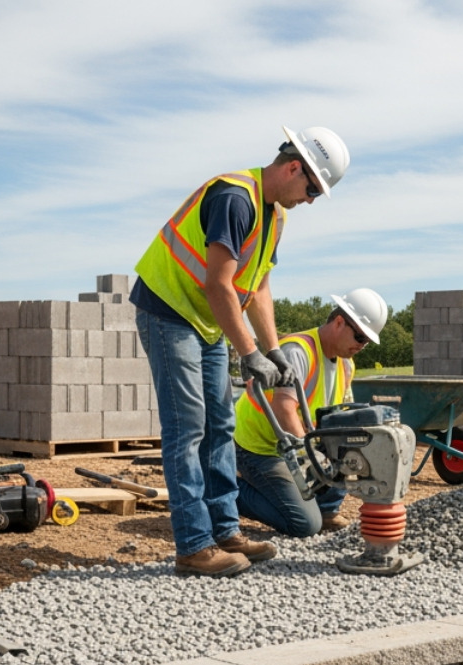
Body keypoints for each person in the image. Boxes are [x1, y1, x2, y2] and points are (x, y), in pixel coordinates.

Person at [131, 126, 350, 577]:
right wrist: (248, 352)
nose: (309, 200)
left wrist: (273, 351)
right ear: (293, 167)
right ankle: (193, 545)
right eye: (311, 188)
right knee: (188, 427)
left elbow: (259, 286)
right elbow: (218, 282)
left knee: (220, 424)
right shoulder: (236, 197)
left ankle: (225, 532)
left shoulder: (275, 216)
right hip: (170, 308)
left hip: (207, 318)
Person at [232, 288, 387, 536]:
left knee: (347, 442)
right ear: (339, 322)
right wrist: (313, 457)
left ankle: (326, 510)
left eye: (367, 341)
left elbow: (342, 419)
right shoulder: (298, 351)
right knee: (303, 524)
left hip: (290, 443)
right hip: (257, 447)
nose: (362, 345)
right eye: (359, 337)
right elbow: (284, 410)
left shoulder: (346, 365)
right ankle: (222, 489)